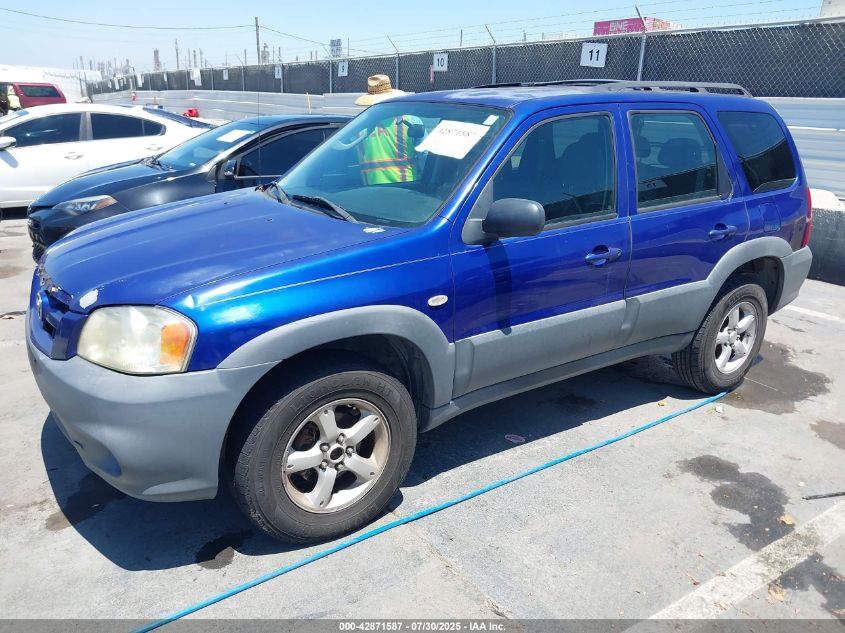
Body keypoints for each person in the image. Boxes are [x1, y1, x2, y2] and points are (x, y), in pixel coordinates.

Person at [354, 75, 420, 185]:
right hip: (407, 189)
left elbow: (353, 156)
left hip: (370, 189)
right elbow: (426, 156)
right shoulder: (411, 121)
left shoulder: (358, 126)